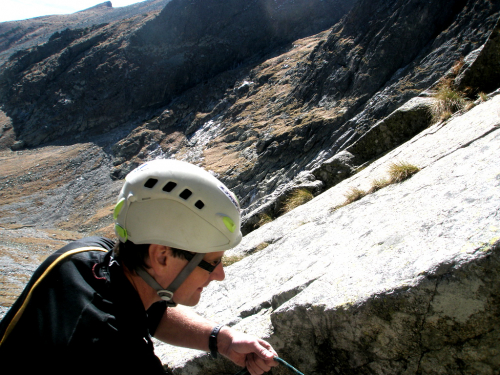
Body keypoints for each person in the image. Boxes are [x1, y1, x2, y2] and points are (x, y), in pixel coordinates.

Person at [0, 159, 278, 375]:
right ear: (162, 256)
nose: (220, 275)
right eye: (211, 262)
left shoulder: (87, 255)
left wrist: (223, 340)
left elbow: (147, 310)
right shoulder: (115, 353)